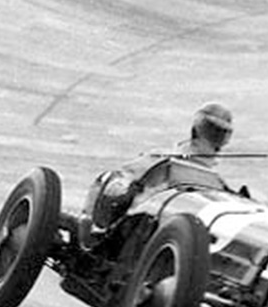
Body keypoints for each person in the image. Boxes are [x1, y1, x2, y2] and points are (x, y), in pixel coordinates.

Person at [78, 102, 234, 245]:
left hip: (163, 235)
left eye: (219, 133)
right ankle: (95, 232)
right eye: (214, 131)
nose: (216, 137)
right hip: (144, 232)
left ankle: (94, 231)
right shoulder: (163, 161)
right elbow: (120, 183)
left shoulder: (215, 182)